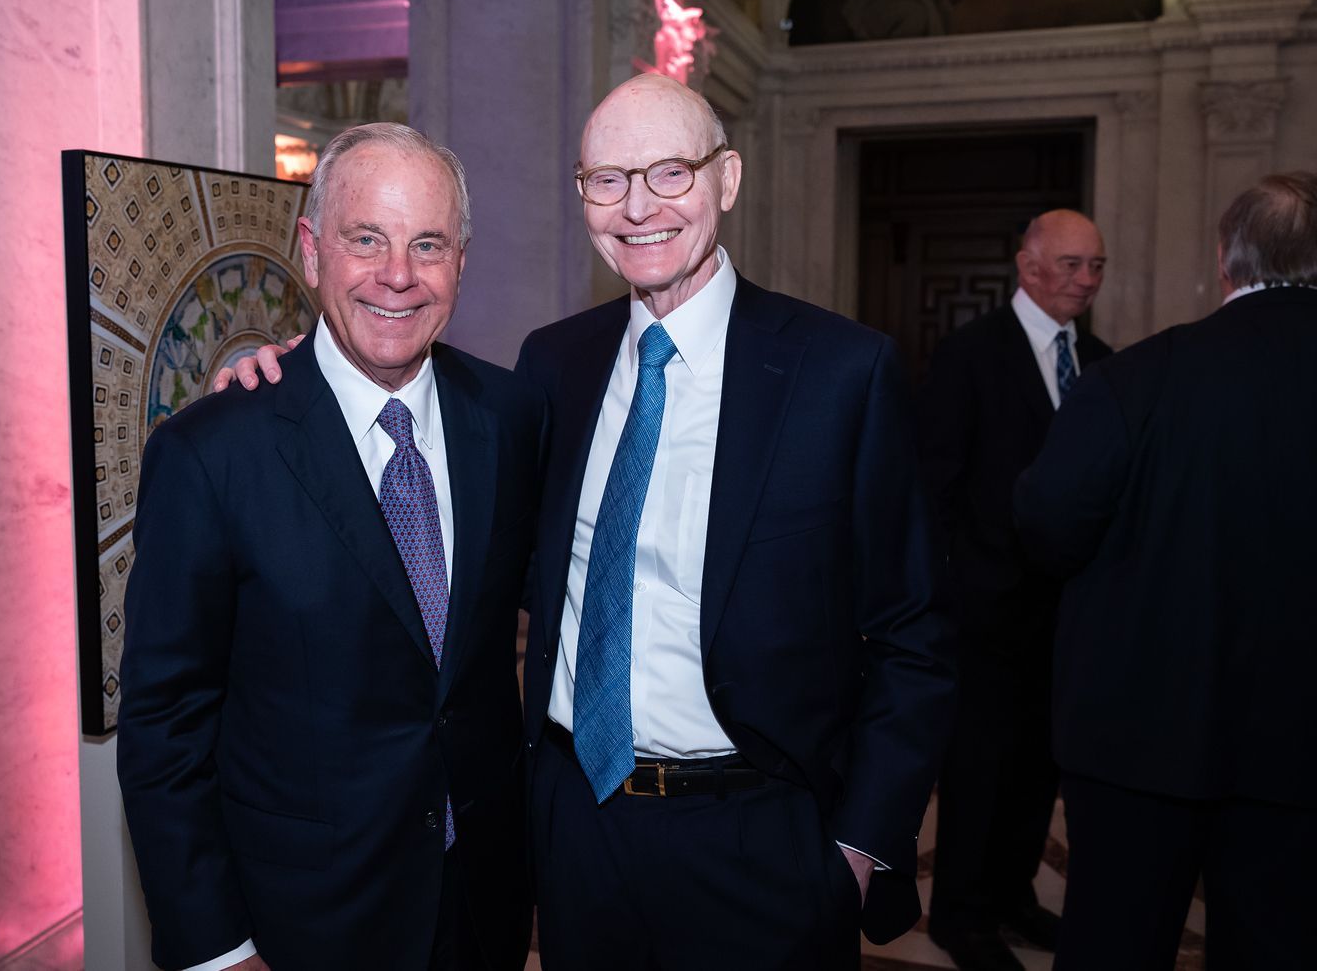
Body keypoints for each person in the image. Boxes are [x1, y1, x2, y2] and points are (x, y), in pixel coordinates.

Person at [222, 76, 954, 967]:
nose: (637, 206)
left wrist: (854, 851)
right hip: (575, 826)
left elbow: (914, 633)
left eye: (670, 173)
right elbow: (408, 409)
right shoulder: (551, 367)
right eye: (607, 179)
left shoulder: (841, 372)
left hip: (762, 839)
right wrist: (299, 369)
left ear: (726, 179)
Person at [118, 122, 541, 971]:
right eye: (366, 240)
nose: (397, 274)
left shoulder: (512, 415)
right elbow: (165, 726)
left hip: (481, 910)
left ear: (461, 262)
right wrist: (215, 947)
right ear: (312, 252)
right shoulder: (213, 451)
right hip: (299, 925)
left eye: (428, 244)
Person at [1015, 171, 1317, 970]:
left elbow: (1046, 522)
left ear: (1226, 259)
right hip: (1299, 743)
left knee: (1115, 943)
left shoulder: (1136, 376)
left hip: (1135, 734)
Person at [917, 210, 1110, 971]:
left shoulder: (1099, 361)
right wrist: (942, 590)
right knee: (979, 766)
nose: (1087, 280)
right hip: (983, 609)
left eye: (1096, 266)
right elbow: (933, 480)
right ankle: (959, 914)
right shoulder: (970, 355)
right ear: (1027, 267)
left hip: (1069, 610)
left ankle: (1013, 895)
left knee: (1041, 764)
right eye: (1071, 264)